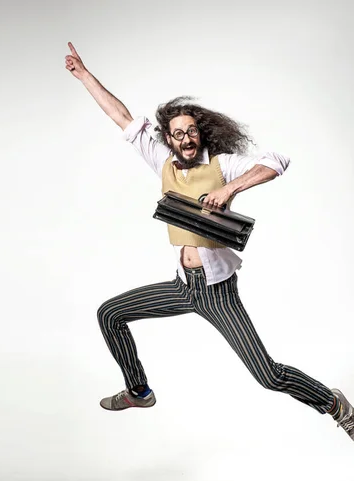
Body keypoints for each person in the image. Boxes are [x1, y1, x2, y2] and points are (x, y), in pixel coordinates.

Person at [64, 41, 353, 442]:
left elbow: (276, 161)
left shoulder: (221, 165)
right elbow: (122, 116)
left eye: (192, 131)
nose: (186, 138)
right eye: (178, 133)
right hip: (183, 287)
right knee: (110, 314)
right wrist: (83, 75)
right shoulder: (161, 161)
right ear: (168, 136)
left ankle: (335, 405)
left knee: (267, 374)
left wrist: (231, 188)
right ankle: (139, 391)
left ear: (201, 133)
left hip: (218, 293)